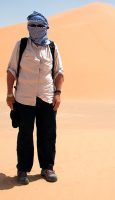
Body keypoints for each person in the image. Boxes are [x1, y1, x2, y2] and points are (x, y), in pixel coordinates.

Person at [6, 11, 64, 185]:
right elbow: (11, 71)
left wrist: (58, 94)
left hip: (46, 98)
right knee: (24, 135)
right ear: (27, 27)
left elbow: (59, 72)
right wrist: (9, 93)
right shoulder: (22, 45)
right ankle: (22, 169)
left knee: (47, 134)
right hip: (24, 98)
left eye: (39, 26)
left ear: (46, 27)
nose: (35, 29)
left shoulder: (52, 47)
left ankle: (47, 167)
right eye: (32, 25)